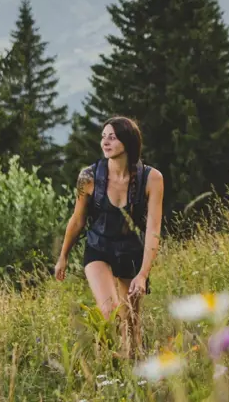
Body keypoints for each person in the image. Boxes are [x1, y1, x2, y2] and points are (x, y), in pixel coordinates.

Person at [55, 116, 164, 359]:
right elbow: (77, 220)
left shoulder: (152, 178)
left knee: (131, 322)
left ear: (128, 141)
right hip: (99, 248)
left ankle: (132, 367)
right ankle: (110, 362)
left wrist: (143, 274)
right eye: (104, 136)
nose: (105, 141)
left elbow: (153, 229)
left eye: (112, 137)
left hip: (131, 252)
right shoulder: (88, 176)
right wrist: (63, 256)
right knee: (111, 313)